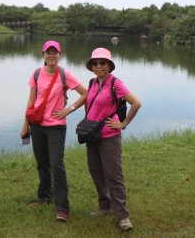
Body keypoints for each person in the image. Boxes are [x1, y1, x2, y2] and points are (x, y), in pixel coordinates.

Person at [21, 40, 87, 222]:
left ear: (60, 54)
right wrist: (26, 124)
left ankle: (63, 208)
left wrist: (69, 109)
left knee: (57, 165)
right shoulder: (36, 74)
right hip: (37, 125)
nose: (51, 55)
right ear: (43, 55)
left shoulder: (65, 74)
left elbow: (86, 93)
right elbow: (31, 100)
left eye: (55, 52)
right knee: (42, 163)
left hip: (56, 127)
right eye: (48, 52)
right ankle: (44, 197)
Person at [83, 47, 142, 231]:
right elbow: (88, 104)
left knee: (114, 176)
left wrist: (123, 124)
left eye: (102, 63)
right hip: (93, 134)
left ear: (109, 65)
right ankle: (104, 206)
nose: (98, 66)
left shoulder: (115, 83)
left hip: (109, 136)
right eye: (95, 63)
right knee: (96, 171)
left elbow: (136, 103)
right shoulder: (92, 82)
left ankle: (123, 216)